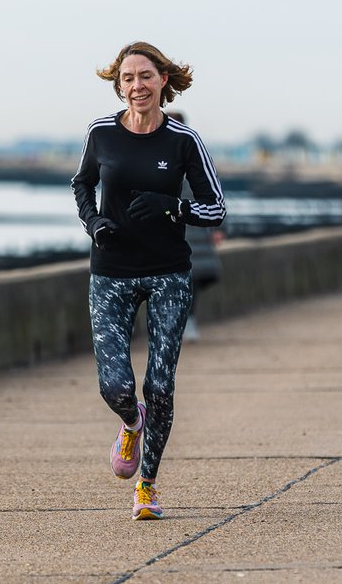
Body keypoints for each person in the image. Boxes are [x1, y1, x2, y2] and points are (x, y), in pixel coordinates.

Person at [71, 41, 226, 520]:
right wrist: (94, 223)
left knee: (160, 386)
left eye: (145, 76)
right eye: (127, 79)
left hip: (168, 275)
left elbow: (215, 207)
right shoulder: (101, 133)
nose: (136, 86)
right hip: (112, 272)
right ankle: (130, 423)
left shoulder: (184, 141)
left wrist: (173, 207)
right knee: (116, 387)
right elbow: (82, 184)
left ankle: (148, 487)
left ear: (163, 80)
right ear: (119, 86)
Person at [166, 111, 223, 343]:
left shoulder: (190, 158)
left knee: (186, 282)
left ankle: (184, 324)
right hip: (187, 230)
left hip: (190, 230)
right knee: (184, 283)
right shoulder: (194, 156)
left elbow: (213, 195)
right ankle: (184, 324)